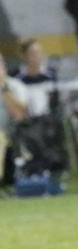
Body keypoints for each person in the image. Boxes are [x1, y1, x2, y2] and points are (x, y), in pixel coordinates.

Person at [0, 52, 28, 188]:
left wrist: (4, 89)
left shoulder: (16, 86)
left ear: (3, 67)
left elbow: (19, 114)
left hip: (13, 134)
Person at [16, 39, 58, 118]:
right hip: (25, 121)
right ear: (24, 55)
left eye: (39, 52)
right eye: (33, 53)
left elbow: (56, 100)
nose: (37, 56)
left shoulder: (51, 74)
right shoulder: (16, 77)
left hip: (48, 120)